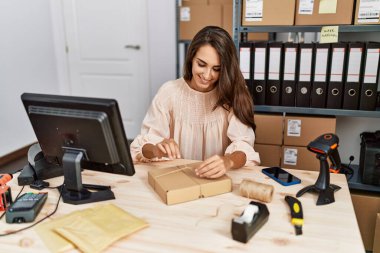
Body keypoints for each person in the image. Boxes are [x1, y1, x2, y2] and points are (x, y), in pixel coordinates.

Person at [130, 26, 260, 178]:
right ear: (191, 58)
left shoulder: (232, 93)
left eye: (217, 69)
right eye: (202, 64)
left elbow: (244, 145)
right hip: (176, 178)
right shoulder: (169, 92)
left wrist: (228, 161)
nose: (207, 75)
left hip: (219, 180)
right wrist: (156, 149)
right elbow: (142, 146)